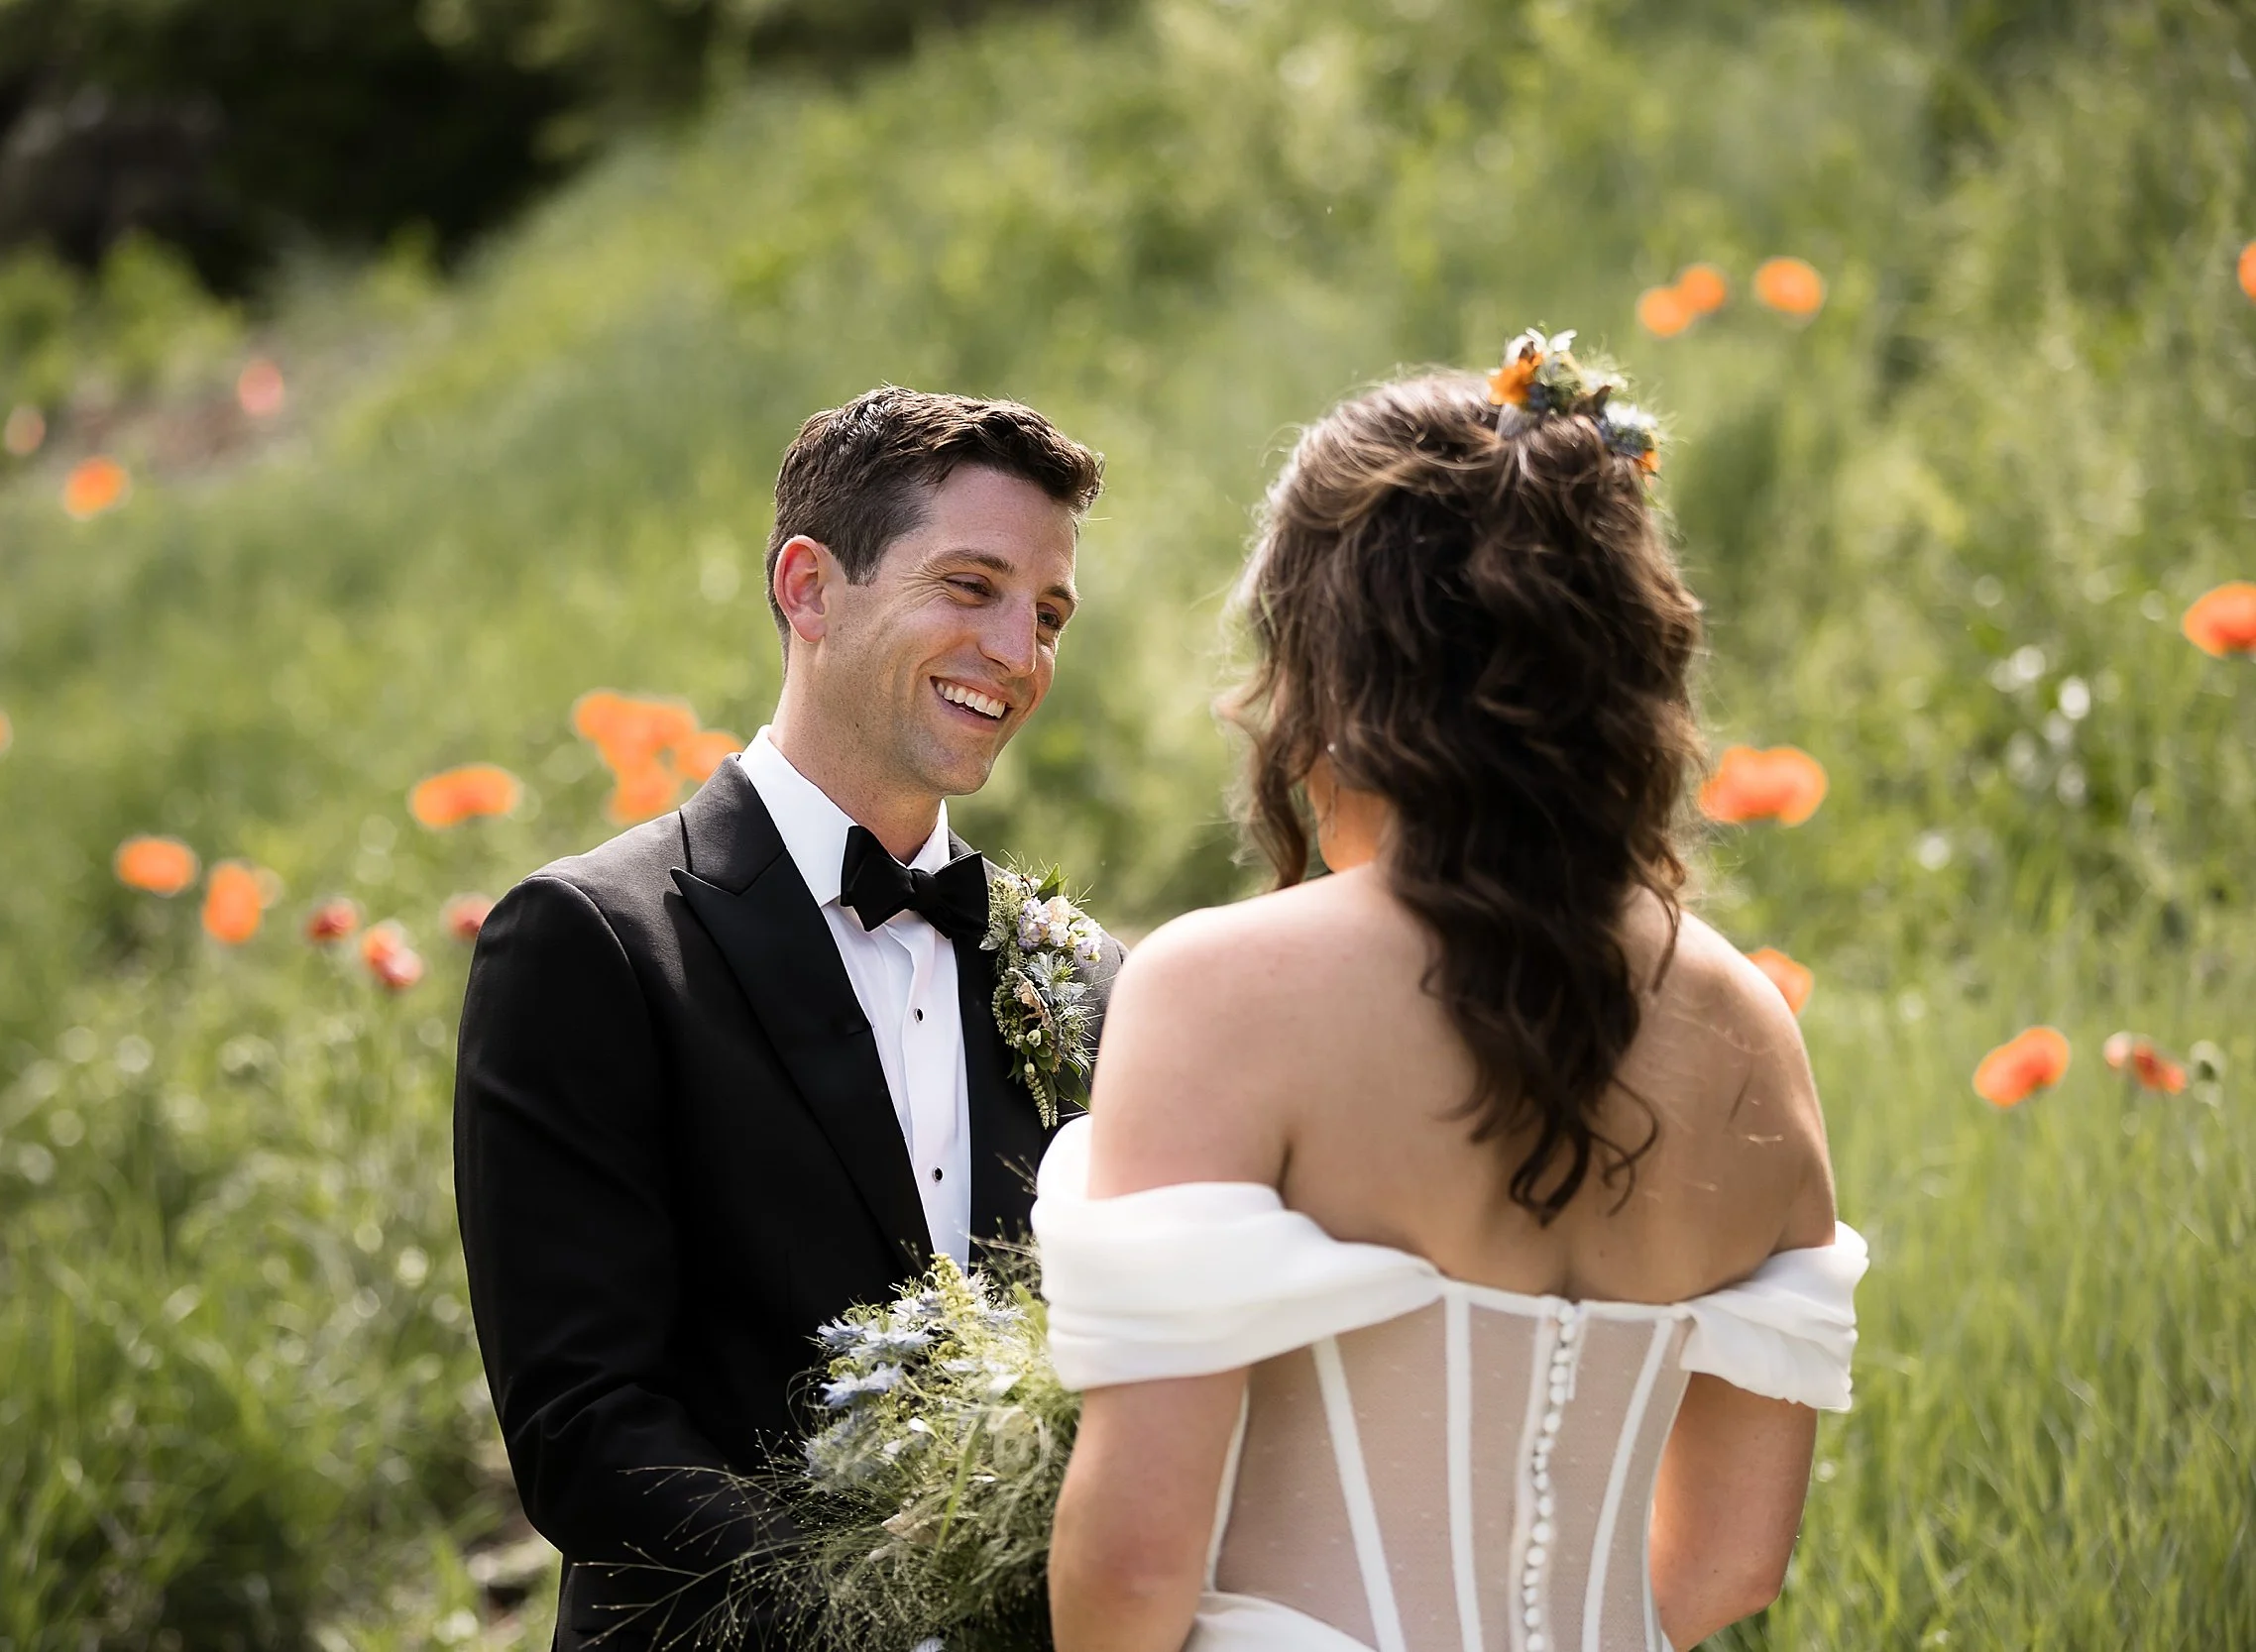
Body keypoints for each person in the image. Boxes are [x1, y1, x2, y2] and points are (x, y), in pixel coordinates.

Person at [1039, 336, 1865, 1652]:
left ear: (1331, 660)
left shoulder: (1221, 988)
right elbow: (1728, 1559)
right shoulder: (1744, 1023)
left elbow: (1135, 1569)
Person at [454, 386, 1119, 1650]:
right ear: (809, 587)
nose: (1020, 652)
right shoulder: (590, 940)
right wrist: (886, 1615)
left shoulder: (1077, 971)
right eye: (969, 587)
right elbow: (582, 1426)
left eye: (1046, 614)